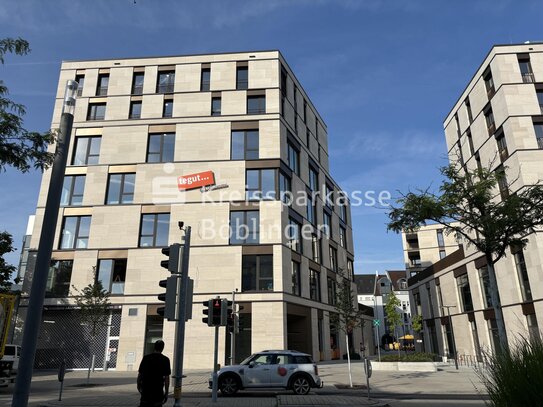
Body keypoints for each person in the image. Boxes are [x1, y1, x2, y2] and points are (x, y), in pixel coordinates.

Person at [137, 340, 171, 407]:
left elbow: (140, 374)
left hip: (146, 388)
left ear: (154, 347)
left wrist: (138, 385)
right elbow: (167, 378)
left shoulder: (146, 358)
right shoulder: (165, 360)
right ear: (162, 348)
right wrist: (166, 392)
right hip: (158, 390)